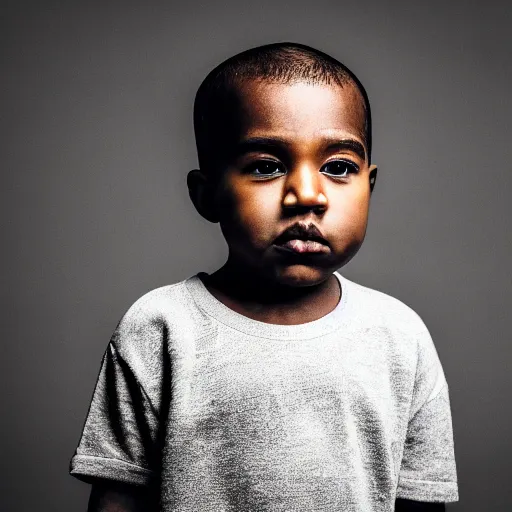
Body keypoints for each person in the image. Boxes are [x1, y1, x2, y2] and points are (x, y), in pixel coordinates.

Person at [69, 42, 458, 511]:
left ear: (368, 187)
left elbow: (421, 502)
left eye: (338, 167)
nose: (306, 195)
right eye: (266, 166)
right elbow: (117, 500)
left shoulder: (401, 336)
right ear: (206, 195)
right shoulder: (159, 328)